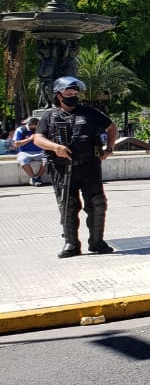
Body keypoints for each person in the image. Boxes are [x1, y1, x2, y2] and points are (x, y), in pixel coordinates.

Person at [33, 76, 118, 258]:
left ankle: (97, 242)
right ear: (58, 95)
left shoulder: (90, 112)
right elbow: (38, 138)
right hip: (62, 169)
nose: (72, 95)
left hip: (89, 166)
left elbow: (111, 127)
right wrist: (56, 147)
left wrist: (109, 148)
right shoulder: (49, 116)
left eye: (75, 92)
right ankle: (71, 243)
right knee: (68, 206)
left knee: (97, 203)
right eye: (68, 93)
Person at [13, 116, 46, 186]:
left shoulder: (39, 129)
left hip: (40, 152)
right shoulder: (21, 130)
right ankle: (33, 177)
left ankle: (37, 177)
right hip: (24, 152)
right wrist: (30, 139)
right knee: (22, 160)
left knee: (48, 160)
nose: (37, 128)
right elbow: (16, 144)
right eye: (36, 126)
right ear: (31, 125)